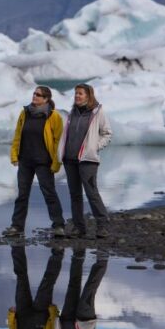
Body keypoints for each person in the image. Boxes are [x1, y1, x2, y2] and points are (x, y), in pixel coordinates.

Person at [3, 86, 66, 237]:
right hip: (25, 161)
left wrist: (56, 162)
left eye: (39, 95)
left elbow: (59, 141)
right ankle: (17, 227)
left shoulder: (53, 116)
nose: (35, 96)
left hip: (44, 162)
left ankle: (58, 225)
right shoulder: (25, 113)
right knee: (22, 195)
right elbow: (18, 135)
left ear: (46, 99)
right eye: (34, 94)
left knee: (49, 193)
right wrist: (14, 155)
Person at [59, 83, 112, 238]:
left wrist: (94, 147)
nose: (77, 96)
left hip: (88, 160)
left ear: (88, 96)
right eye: (76, 93)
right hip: (70, 160)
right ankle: (78, 227)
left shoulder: (97, 112)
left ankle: (102, 226)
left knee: (91, 193)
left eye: (80, 93)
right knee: (75, 194)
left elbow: (107, 134)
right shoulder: (72, 113)